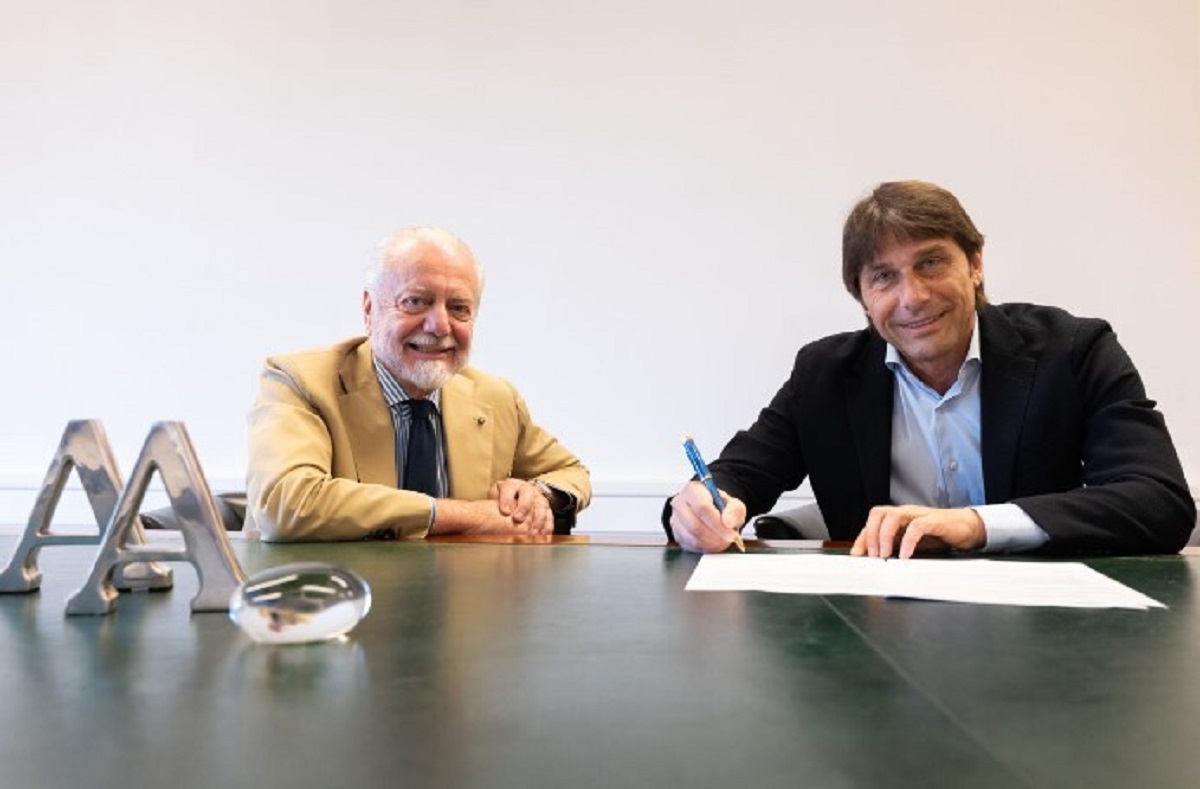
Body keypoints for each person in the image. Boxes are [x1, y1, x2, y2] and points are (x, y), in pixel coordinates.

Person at [666, 180, 1194, 557]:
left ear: (976, 263)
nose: (912, 297)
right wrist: (696, 509)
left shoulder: (1074, 350)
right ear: (863, 299)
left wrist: (978, 525)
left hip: (1043, 635)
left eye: (931, 263)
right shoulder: (824, 374)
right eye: (883, 277)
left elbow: (1160, 501)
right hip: (876, 637)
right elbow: (738, 475)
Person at [247, 227, 590, 541]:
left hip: (463, 587)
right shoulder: (299, 381)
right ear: (369, 309)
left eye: (459, 308)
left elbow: (570, 472)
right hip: (330, 587)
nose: (439, 326)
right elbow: (285, 503)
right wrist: (466, 516)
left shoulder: (495, 397)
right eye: (415, 301)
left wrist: (538, 495)